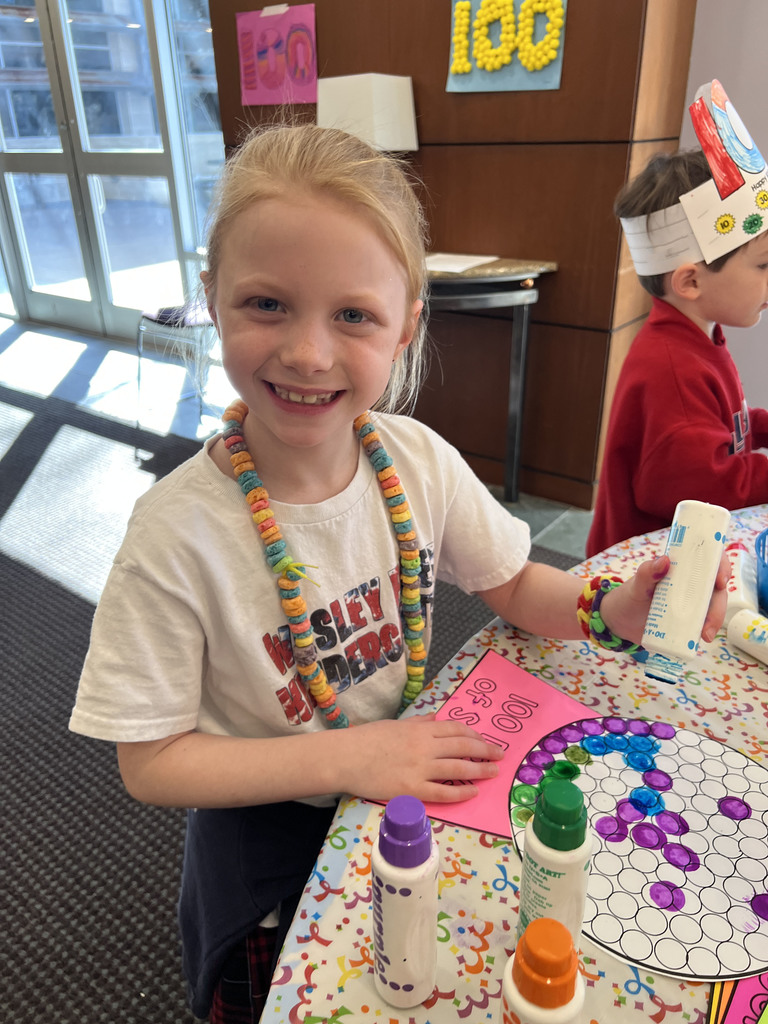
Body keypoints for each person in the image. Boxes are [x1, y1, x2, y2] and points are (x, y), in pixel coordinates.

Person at [69, 123, 728, 1024]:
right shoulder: (176, 533)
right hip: (267, 820)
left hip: (403, 785)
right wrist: (357, 756)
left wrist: (613, 604)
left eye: (353, 315)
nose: (307, 353)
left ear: (408, 321)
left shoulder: (413, 460)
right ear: (213, 296)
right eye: (267, 304)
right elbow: (149, 761)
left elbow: (516, 588)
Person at [587, 146, 768, 557]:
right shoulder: (672, 369)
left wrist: (760, 425)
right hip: (646, 580)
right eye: (762, 265)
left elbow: (724, 423)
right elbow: (705, 484)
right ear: (690, 282)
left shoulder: (697, 337)